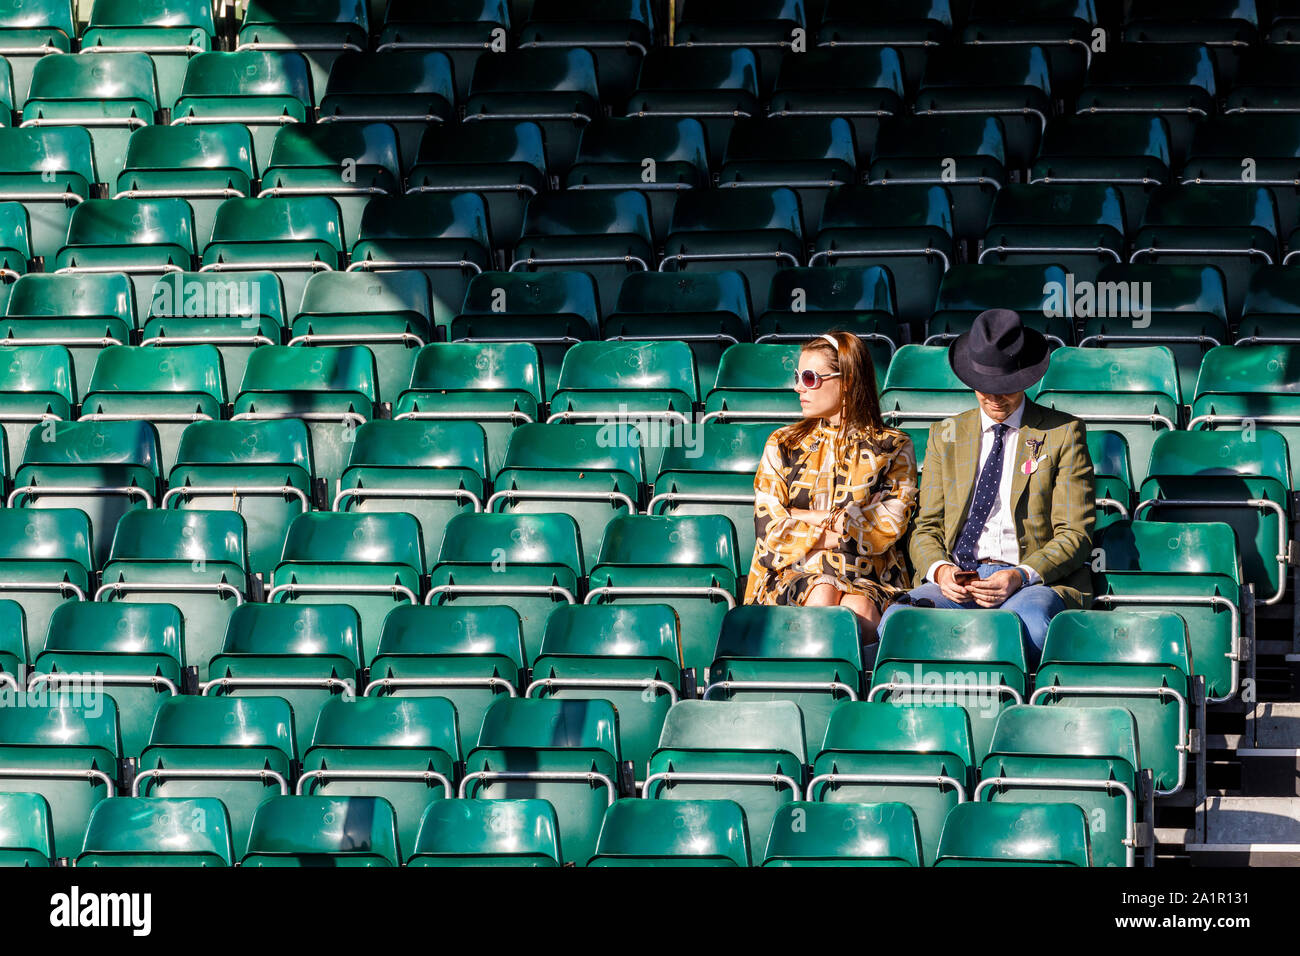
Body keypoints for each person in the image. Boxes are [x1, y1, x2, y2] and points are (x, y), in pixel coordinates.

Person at [878, 308, 1095, 665]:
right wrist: (939, 571)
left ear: (1025, 379)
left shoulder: (1063, 433)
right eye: (985, 387)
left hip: (1029, 581)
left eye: (1006, 387)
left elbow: (1075, 532)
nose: (995, 398)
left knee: (1032, 627)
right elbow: (926, 527)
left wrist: (1019, 575)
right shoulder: (945, 435)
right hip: (960, 578)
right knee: (897, 623)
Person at [744, 331, 919, 640]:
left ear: (847, 381)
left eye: (810, 378)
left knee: (860, 609)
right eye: (798, 376)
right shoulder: (783, 443)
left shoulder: (893, 447)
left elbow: (885, 530)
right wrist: (842, 522)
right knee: (822, 592)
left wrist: (800, 514)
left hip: (869, 577)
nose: (798, 387)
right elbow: (770, 530)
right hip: (790, 573)